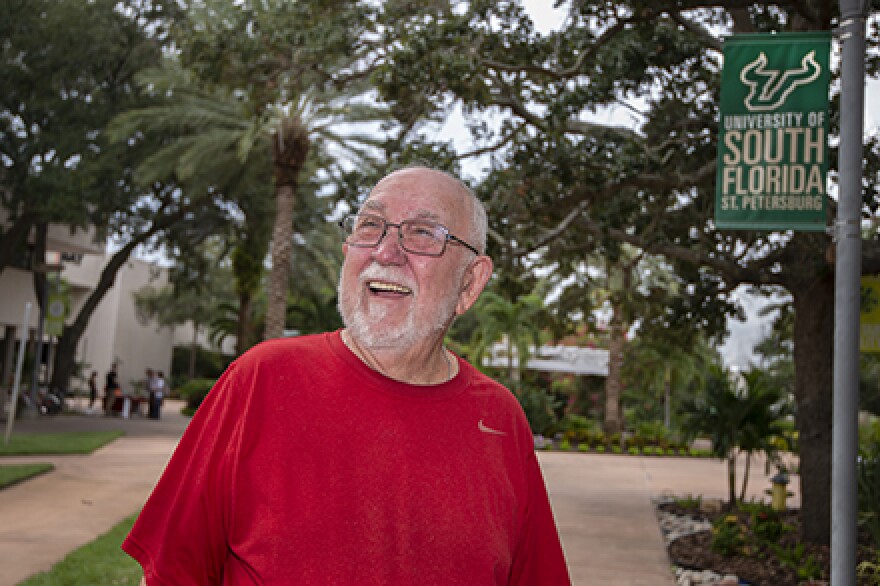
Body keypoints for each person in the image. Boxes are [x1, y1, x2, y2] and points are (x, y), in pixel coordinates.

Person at [122, 167, 571, 585]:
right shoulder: (261, 380)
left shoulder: (500, 420)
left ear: (470, 283)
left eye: (422, 232)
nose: (385, 252)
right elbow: (171, 574)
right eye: (370, 226)